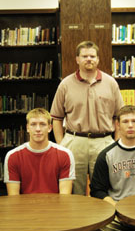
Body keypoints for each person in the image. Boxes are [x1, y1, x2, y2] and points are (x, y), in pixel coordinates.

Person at [50, 40, 124, 195]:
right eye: (84, 56)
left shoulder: (110, 83)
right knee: (74, 188)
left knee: (105, 185)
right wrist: (61, 144)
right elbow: (56, 117)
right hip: (75, 141)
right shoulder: (65, 84)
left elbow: (120, 116)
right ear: (77, 59)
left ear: (98, 59)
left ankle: (106, 218)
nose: (88, 59)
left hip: (104, 141)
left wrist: (116, 143)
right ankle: (77, 220)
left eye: (92, 56)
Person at [4, 108, 75, 194]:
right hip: (24, 207)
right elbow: (13, 198)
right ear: (27, 128)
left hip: (55, 206)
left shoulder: (65, 155)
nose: (38, 129)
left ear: (50, 128)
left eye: (42, 124)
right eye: (33, 124)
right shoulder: (13, 156)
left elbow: (64, 197)